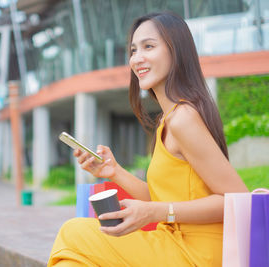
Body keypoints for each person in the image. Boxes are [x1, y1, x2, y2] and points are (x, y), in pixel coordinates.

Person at [47, 11, 249, 267]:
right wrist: (114, 171)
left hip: (198, 253)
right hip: (171, 244)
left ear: (176, 51)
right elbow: (161, 198)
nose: (137, 59)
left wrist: (156, 212)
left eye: (148, 47)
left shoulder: (183, 118)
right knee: (71, 262)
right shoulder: (168, 120)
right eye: (133, 50)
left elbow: (239, 199)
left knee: (74, 231)